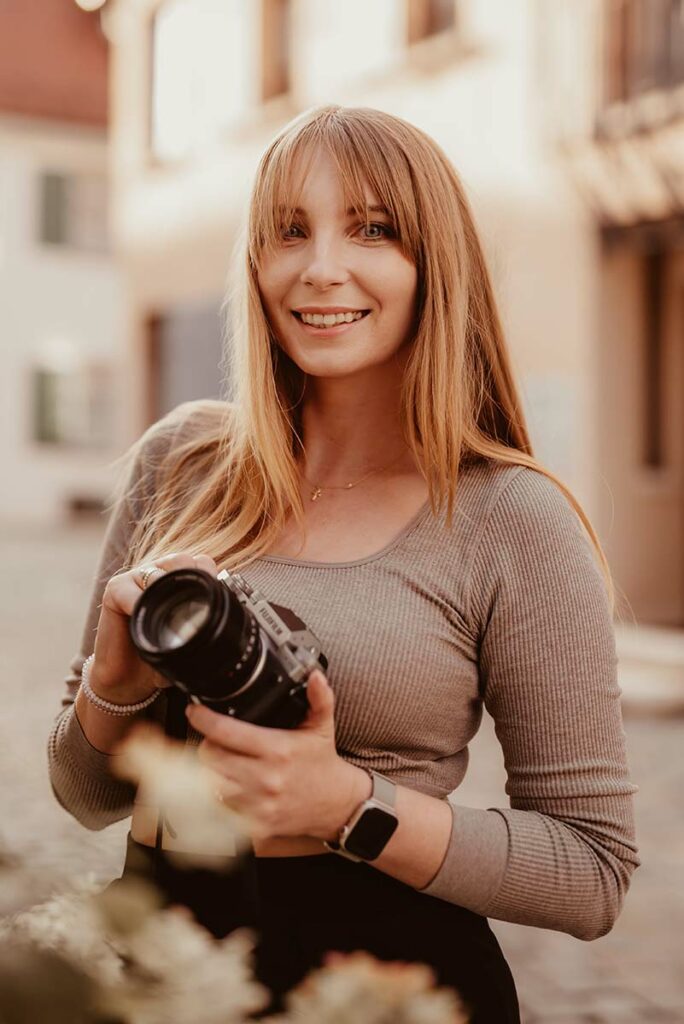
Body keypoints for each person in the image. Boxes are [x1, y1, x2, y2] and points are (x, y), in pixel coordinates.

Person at [48, 104, 640, 1023]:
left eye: (370, 229)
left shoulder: (508, 515)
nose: (320, 267)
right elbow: (86, 795)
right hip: (161, 965)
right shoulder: (184, 462)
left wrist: (346, 805)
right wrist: (115, 684)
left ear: (431, 262)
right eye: (290, 231)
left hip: (385, 984)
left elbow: (591, 873)